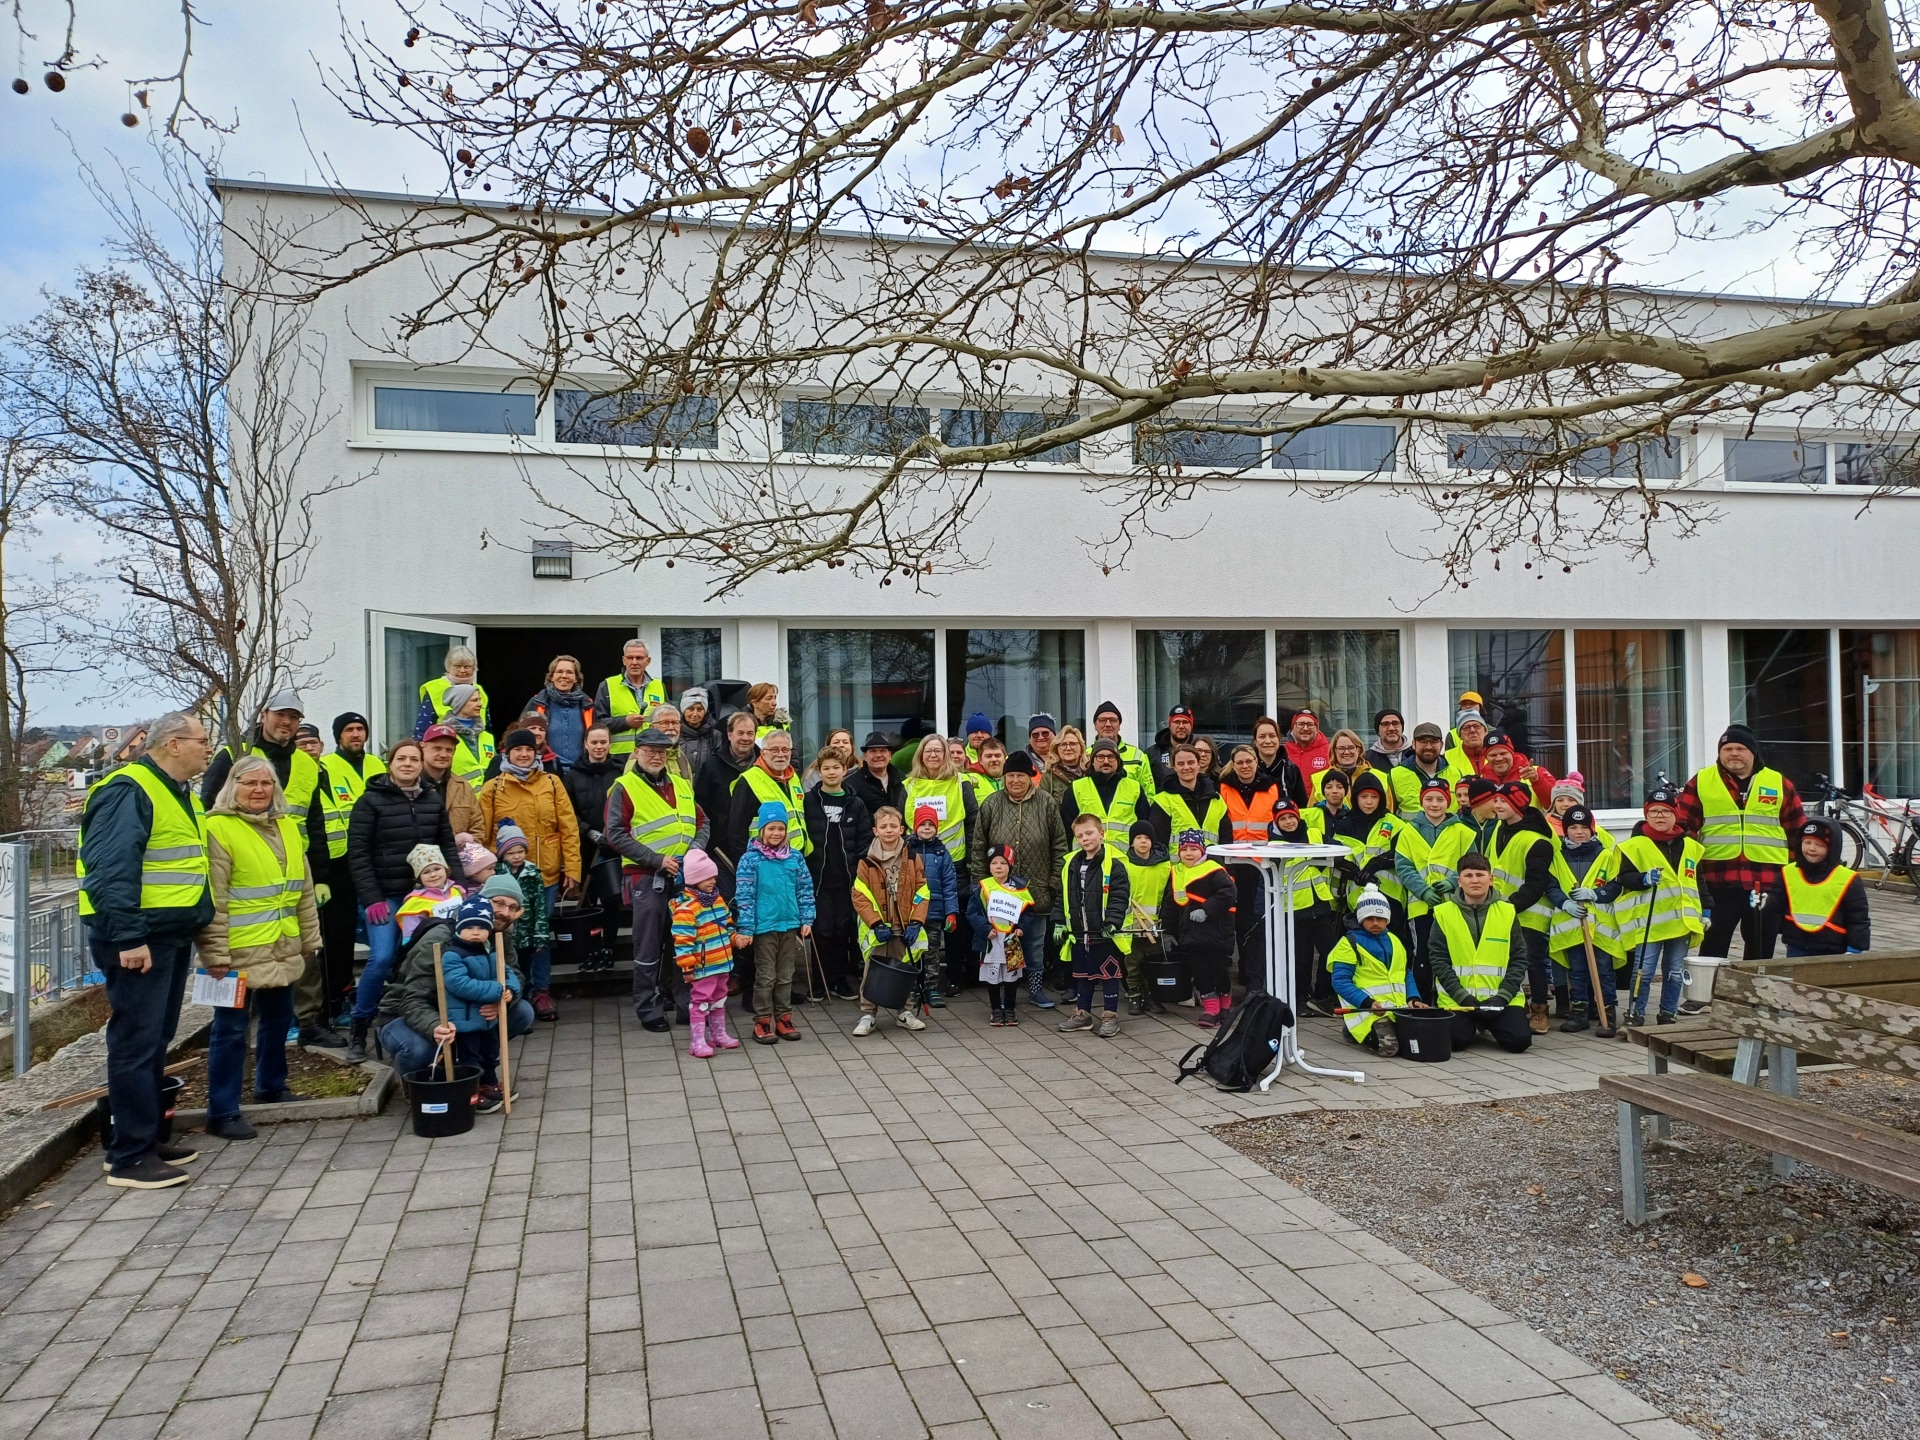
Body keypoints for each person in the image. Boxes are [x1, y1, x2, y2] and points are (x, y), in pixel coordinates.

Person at [77, 713, 214, 1188]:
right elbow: (111, 870)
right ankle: (130, 1156)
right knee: (135, 1044)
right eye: (202, 740)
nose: (208, 748)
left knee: (155, 1041)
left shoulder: (176, 792)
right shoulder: (129, 789)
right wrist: (129, 938)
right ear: (174, 744)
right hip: (139, 940)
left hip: (167, 936)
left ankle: (148, 1137)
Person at [198, 755, 321, 1140]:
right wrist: (214, 954)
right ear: (233, 786)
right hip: (235, 953)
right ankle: (223, 1110)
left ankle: (271, 1086)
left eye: (265, 784)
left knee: (278, 1021)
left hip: (281, 946)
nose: (258, 790)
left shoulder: (286, 826)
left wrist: (309, 938)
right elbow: (213, 898)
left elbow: (302, 890)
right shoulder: (218, 828)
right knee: (230, 1032)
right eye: (249, 783)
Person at [374, 874, 535, 1112]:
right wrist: (433, 1026)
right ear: (481, 901)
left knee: (522, 1012)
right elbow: (412, 998)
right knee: (421, 1049)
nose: (505, 912)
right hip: (405, 1014)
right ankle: (415, 1083)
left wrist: (503, 998)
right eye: (498, 903)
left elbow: (515, 975)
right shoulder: (441, 939)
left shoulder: (500, 937)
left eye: (513, 907)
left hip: (466, 1011)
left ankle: (472, 1073)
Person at [345, 739, 458, 1062]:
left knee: (430, 955)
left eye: (414, 759)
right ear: (390, 763)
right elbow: (359, 854)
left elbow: (447, 844)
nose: (408, 764)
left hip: (428, 895)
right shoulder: (369, 802)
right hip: (387, 895)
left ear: (422, 765)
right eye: (401, 758)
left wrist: (459, 883)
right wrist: (371, 899)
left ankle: (420, 1019)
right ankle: (360, 1024)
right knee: (382, 957)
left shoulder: (432, 800)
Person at [605, 726, 709, 1032]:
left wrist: (693, 854)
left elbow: (702, 822)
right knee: (648, 947)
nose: (655, 756)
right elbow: (615, 834)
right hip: (645, 876)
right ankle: (648, 1008)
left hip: (682, 875)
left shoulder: (681, 783)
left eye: (661, 752)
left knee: (683, 943)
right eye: (649, 751)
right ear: (636, 752)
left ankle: (683, 1003)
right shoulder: (623, 787)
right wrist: (655, 860)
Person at [1674, 723, 1805, 963]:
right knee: (1713, 946)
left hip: (1765, 883)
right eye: (1727, 748)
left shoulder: (1778, 783)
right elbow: (1684, 829)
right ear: (1720, 753)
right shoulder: (1702, 781)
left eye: (1740, 748)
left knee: (1761, 949)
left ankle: (1752, 998)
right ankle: (1705, 998)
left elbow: (1797, 833)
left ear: (1753, 752)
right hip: (1717, 883)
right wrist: (1692, 873)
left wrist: (1794, 877)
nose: (1733, 753)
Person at [477, 726, 583, 1019]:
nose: (524, 755)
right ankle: (512, 991)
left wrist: (571, 868)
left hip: (545, 876)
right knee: (509, 936)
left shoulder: (551, 783)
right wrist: (486, 875)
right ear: (506, 753)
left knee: (540, 935)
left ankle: (541, 991)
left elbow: (569, 829)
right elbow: (483, 836)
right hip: (506, 880)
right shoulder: (493, 788)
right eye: (517, 750)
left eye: (529, 750)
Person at [968, 750, 1068, 1012]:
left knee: (1034, 943)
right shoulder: (991, 804)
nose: (1015, 780)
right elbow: (978, 846)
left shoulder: (1046, 803)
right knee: (999, 944)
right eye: (1010, 775)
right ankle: (1000, 992)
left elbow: (1059, 846)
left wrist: (1054, 882)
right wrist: (980, 885)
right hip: (998, 893)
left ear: (1030, 776)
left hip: (1035, 890)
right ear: (1004, 777)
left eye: (1020, 775)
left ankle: (1035, 989)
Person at [1613, 783, 1706, 1026]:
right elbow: (1623, 878)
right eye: (1653, 811)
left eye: (1665, 811)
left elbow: (1699, 881)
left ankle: (1668, 1013)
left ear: (1675, 814)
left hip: (1682, 922)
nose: (1659, 816)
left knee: (1675, 973)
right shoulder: (1632, 846)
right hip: (1649, 921)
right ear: (1646, 815)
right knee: (1642, 972)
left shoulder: (1691, 846)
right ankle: (1635, 1013)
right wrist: (1643, 880)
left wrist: (1706, 910)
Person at [1429, 852, 1532, 1053]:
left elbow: (1519, 959)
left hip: (1500, 999)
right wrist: (1462, 997)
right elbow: (1438, 960)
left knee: (1519, 1042)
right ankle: (1472, 1025)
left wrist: (1502, 998)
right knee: (1455, 1041)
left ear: (1490, 879)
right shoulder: (1443, 913)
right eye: (1468, 876)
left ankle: (1487, 1024)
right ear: (1459, 881)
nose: (1474, 880)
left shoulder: (1507, 911)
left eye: (1480, 874)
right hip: (1459, 1000)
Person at [1480, 779, 1560, 1033]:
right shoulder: (1499, 830)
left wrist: (1509, 906)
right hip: (1503, 908)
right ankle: (1517, 1005)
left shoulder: (1537, 840)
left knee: (1533, 962)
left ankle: (1539, 1009)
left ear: (1519, 804)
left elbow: (1536, 885)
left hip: (1530, 912)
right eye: (1496, 800)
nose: (1497, 804)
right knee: (1505, 961)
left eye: (1504, 800)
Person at [434, 895, 527, 1106]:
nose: (476, 932)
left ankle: (490, 1083)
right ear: (459, 928)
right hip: (465, 1021)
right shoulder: (452, 954)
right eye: (470, 927)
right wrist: (496, 989)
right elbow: (458, 983)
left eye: (482, 928)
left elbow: (506, 971)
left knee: (490, 1053)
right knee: (470, 1057)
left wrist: (510, 989)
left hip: (487, 1020)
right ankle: (471, 1092)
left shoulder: (491, 951)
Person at [735, 801, 816, 1042]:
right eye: (771, 828)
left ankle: (783, 1017)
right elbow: (745, 896)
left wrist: (807, 918)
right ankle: (762, 1020)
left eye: (781, 828)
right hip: (764, 928)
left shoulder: (795, 858)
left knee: (785, 975)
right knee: (766, 976)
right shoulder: (751, 860)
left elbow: (805, 890)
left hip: (789, 925)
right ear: (761, 830)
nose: (776, 833)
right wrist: (747, 927)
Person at [1392, 775, 1477, 999]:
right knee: (1422, 953)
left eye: (1440, 799)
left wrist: (1452, 882)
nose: (1434, 804)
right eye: (1429, 799)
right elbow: (1404, 866)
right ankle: (1422, 999)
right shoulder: (1409, 832)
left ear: (1448, 801)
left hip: (1455, 904)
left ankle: (1448, 998)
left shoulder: (1462, 832)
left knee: (1451, 952)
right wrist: (1423, 891)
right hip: (1420, 905)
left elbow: (1473, 863)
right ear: (1422, 801)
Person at [851, 806, 930, 1035]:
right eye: (883, 826)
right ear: (875, 830)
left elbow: (922, 891)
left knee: (903, 968)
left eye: (893, 826)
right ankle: (868, 1014)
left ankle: (904, 1012)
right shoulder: (866, 862)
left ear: (902, 829)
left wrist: (916, 922)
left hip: (903, 925)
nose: (889, 830)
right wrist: (875, 923)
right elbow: (860, 896)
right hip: (878, 928)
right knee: (872, 969)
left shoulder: (913, 858)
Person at [805, 747, 873, 1000]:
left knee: (843, 930)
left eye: (836, 767)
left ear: (845, 770)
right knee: (821, 931)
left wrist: (856, 864)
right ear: (819, 771)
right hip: (819, 879)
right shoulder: (808, 801)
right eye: (826, 768)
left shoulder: (855, 803)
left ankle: (839, 980)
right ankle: (820, 982)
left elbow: (865, 839)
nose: (831, 772)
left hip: (847, 880)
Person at [1548, 805, 1623, 1035]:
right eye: (1573, 827)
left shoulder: (1605, 855)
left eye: (1583, 827)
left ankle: (1606, 1014)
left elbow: (1615, 885)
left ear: (1592, 830)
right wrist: (1565, 903)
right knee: (1577, 970)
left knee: (1603, 969)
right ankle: (1578, 1013)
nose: (1579, 832)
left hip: (1600, 927)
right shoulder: (1558, 857)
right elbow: (1550, 886)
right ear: (1565, 830)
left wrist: (1595, 894)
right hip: (1571, 925)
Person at [1058, 813, 1129, 1038]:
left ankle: (1110, 1016)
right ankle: (1083, 1015)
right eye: (1080, 836)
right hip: (1079, 932)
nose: (1085, 839)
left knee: (1109, 975)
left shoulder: (1114, 864)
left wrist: (1113, 922)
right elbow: (1063, 896)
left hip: (1104, 933)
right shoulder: (1071, 864)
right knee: (1082, 975)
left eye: (1089, 833)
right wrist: (1059, 922)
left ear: (1101, 833)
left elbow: (1119, 896)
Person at [1331, 886, 1423, 1056]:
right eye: (1369, 918)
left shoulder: (1395, 941)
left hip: (1397, 1009)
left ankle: (1356, 1031)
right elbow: (1340, 981)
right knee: (1390, 1049)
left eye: (1380, 918)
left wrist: (1413, 998)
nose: (1375, 922)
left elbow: (1404, 974)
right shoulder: (1347, 943)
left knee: (1416, 1045)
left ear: (1387, 919)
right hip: (1367, 1010)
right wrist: (1367, 1003)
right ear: (1360, 919)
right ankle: (1355, 1029)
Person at [1220, 744, 1283, 992]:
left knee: (1258, 920)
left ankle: (1256, 975)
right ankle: (1244, 972)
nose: (1245, 766)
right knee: (1240, 920)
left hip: (1262, 863)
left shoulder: (1271, 786)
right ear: (1233, 765)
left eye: (1249, 761)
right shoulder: (1224, 787)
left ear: (1257, 762)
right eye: (1240, 762)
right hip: (1234, 862)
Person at [563, 723, 625, 968]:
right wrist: (588, 832)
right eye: (594, 742)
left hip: (614, 847)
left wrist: (614, 833)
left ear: (610, 744)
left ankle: (608, 949)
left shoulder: (621, 773)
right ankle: (589, 951)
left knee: (612, 902)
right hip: (585, 848)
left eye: (603, 742)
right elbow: (567, 811)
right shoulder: (572, 776)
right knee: (589, 902)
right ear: (585, 744)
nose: (599, 747)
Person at [1269, 798, 1338, 1009]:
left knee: (1331, 952)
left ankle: (1323, 994)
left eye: (1291, 817)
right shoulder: (1274, 844)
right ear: (1276, 822)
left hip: (1319, 901)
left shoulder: (1314, 833)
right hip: (1295, 906)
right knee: (1301, 956)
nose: (1289, 822)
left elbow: (1336, 850)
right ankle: (1299, 997)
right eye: (1283, 819)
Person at [673, 848, 741, 1057]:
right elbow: (683, 942)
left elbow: (727, 926)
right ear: (693, 879)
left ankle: (718, 1034)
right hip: (703, 967)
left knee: (720, 998)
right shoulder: (687, 908)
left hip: (722, 962)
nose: (712, 881)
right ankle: (697, 1041)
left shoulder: (718, 901)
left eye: (713, 877)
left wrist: (735, 938)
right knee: (701, 1001)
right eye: (706, 877)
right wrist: (687, 967)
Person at [1164, 830, 1236, 1028]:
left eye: (1193, 849)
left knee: (1219, 971)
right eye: (1184, 849)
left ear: (1202, 851)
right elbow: (1171, 903)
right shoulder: (1177, 872)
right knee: (1200, 972)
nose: (1188, 853)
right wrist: (1169, 930)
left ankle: (1225, 1007)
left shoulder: (1213, 870)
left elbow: (1228, 893)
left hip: (1217, 933)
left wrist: (1206, 910)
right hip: (1191, 935)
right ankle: (1210, 1009)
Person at [1774, 816, 1870, 956]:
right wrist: (1763, 906)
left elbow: (1858, 917)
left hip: (1833, 948)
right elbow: (1776, 906)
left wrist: (1855, 947)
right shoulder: (1788, 873)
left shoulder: (1848, 878)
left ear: (1832, 848)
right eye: (1807, 842)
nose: (1811, 848)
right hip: (1796, 944)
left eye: (1819, 845)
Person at [698, 710, 762, 891]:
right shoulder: (712, 765)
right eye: (740, 733)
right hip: (721, 853)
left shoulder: (765, 765)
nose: (745, 738)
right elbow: (702, 808)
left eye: (750, 733)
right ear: (729, 734)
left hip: (760, 851)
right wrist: (711, 845)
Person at [969, 845, 1032, 1026]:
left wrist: (1021, 927)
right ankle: (996, 1009)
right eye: (994, 863)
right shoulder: (982, 888)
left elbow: (1028, 912)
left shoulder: (1020, 888)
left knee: (1011, 976)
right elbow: (973, 913)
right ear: (989, 866)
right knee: (993, 975)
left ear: (1010, 865)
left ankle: (1010, 1009)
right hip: (991, 940)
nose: (998, 866)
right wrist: (984, 929)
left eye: (1003, 863)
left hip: (1011, 940)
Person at [907, 804, 960, 1009]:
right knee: (910, 951)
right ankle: (911, 987)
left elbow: (950, 885)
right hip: (910, 912)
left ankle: (931, 988)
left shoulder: (942, 853)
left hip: (935, 911)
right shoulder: (906, 850)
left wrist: (952, 913)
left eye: (931, 824)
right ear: (915, 826)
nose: (927, 828)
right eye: (923, 824)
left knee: (932, 952)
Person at [729, 729, 810, 861]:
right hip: (764, 861)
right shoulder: (748, 781)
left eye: (785, 750)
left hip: (796, 858)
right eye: (774, 750)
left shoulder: (793, 777)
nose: (780, 754)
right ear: (763, 753)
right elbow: (736, 831)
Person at [1118, 819, 1170, 1014]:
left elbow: (1167, 894)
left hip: (1154, 925)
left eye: (1147, 838)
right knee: (1133, 963)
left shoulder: (1164, 867)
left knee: (1152, 962)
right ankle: (1134, 996)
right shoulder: (1124, 865)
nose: (1142, 842)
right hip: (1130, 925)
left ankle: (1150, 996)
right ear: (1131, 842)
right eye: (1138, 838)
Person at [904, 732, 972, 875]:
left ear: (946, 755)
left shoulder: (962, 782)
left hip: (954, 861)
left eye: (938, 751)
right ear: (920, 755)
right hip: (917, 859)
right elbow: (901, 825)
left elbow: (973, 822)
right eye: (928, 751)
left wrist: (971, 860)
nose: (933, 755)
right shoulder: (907, 785)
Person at [1062, 737, 1144, 852]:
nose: (1106, 761)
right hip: (1086, 861)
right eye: (1100, 757)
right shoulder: (1076, 788)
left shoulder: (1135, 788)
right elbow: (1066, 831)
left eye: (1111, 757)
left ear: (1118, 761)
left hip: (1125, 861)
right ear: (1092, 761)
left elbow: (1144, 827)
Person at [597, 638, 667, 762]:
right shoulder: (607, 685)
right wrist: (625, 722)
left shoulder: (659, 686)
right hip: (618, 757)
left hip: (652, 754)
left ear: (648, 661)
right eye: (630, 658)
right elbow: (598, 723)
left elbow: (668, 719)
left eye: (639, 658)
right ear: (624, 660)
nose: (634, 662)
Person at [1149, 745, 1224, 854]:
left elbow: (1225, 841)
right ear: (1173, 767)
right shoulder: (1162, 802)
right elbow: (1158, 846)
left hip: (1212, 868)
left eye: (1191, 762)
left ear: (1199, 764)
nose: (1186, 767)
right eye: (1180, 764)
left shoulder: (1216, 800)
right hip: (1177, 869)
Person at [526, 655, 596, 771]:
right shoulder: (537, 703)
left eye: (569, 672)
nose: (564, 676)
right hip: (545, 770)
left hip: (580, 771)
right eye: (559, 672)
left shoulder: (588, 705)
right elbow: (522, 737)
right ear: (551, 677)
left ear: (576, 678)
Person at [419, 723, 485, 844]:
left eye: (449, 750)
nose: (444, 754)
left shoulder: (464, 787)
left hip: (458, 860)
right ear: (422, 747)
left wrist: (462, 855)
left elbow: (477, 829)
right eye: (437, 748)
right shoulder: (410, 784)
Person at [1390, 722, 1468, 817]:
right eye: (1423, 741)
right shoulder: (1395, 775)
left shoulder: (1456, 774)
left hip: (1449, 831)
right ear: (1414, 744)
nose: (1428, 746)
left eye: (1434, 742)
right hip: (1410, 832)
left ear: (1441, 745)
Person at [415, 644, 491, 738]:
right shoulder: (434, 688)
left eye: (467, 667)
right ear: (448, 666)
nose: (462, 670)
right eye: (457, 666)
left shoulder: (479, 690)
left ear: (474, 668)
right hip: (443, 744)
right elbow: (423, 726)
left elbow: (487, 725)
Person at [397, 843, 466, 940]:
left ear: (446, 870)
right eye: (426, 872)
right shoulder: (414, 903)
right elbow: (410, 938)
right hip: (433, 948)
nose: (433, 874)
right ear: (419, 877)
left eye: (437, 869)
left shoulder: (457, 891)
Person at [1089, 702, 1156, 796]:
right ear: (1095, 725)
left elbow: (1149, 793)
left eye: (1113, 720)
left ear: (1119, 725)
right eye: (1102, 720)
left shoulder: (1137, 755)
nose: (1108, 724)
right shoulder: (1086, 755)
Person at [1479, 732, 1556, 810]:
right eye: (1493, 755)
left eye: (1503, 753)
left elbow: (1555, 805)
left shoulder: (1537, 772)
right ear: (1486, 758)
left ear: (1512, 753)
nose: (1499, 758)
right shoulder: (1481, 779)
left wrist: (1537, 781)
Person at [439, 685, 497, 788]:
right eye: (474, 700)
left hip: (488, 800)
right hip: (458, 801)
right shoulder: (442, 735)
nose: (480, 704)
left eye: (479, 699)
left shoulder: (487, 737)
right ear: (460, 704)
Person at [848, 730, 905, 819]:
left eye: (883, 750)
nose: (878, 755)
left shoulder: (903, 780)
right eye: (873, 751)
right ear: (865, 756)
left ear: (890, 755)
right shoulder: (851, 784)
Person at [1251, 717, 1306, 803]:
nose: (1268, 741)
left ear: (1279, 739)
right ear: (1255, 742)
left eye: (1272, 736)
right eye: (1262, 737)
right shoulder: (1246, 769)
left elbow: (1301, 807)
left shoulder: (1291, 770)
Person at [1149, 704, 1197, 788]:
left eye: (1185, 722)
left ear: (1191, 726)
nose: (1181, 726)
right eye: (1176, 722)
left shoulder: (1199, 751)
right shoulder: (1152, 754)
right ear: (1170, 725)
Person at [1039, 725, 1087, 806]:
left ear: (1081, 748)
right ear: (1056, 749)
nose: (1068, 748)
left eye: (1073, 744)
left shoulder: (1090, 773)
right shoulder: (1048, 777)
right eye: (1063, 744)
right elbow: (1041, 808)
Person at [678, 688, 720, 778]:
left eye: (700, 709)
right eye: (691, 709)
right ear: (683, 710)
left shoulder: (715, 735)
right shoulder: (675, 734)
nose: (695, 714)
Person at [1285, 709, 1332, 782]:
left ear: (1316, 729)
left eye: (1310, 724)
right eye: (1300, 724)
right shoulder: (1283, 753)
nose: (1305, 728)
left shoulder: (1330, 751)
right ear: (1293, 727)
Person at [648, 704, 693, 781]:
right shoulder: (641, 756)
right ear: (652, 727)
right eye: (665, 723)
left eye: (675, 723)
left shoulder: (681, 756)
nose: (671, 728)